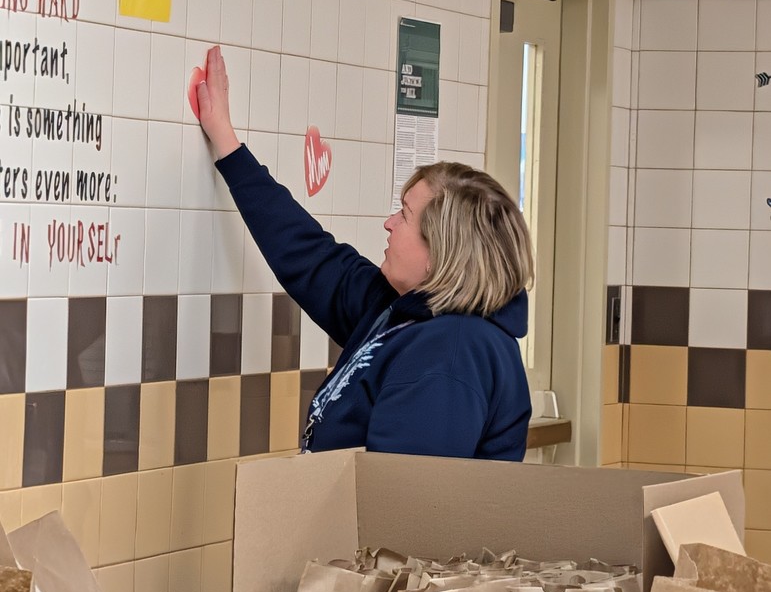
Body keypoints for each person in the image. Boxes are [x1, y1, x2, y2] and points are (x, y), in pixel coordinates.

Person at [197, 45, 534, 460]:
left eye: (406, 216)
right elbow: (312, 257)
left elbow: (398, 501)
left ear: (441, 254)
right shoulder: (405, 312)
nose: (389, 223)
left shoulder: (453, 353)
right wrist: (227, 144)